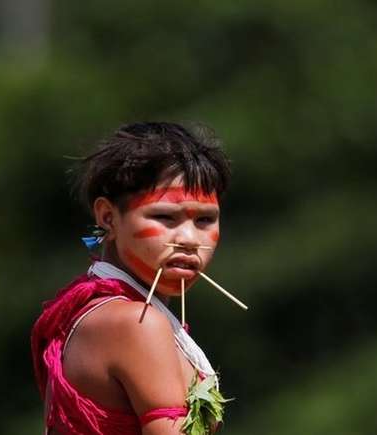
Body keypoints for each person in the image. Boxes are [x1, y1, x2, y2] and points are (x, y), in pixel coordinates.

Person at [31, 121, 232, 435]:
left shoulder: (106, 312)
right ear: (108, 217)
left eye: (205, 220)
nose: (189, 239)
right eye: (165, 217)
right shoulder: (136, 323)